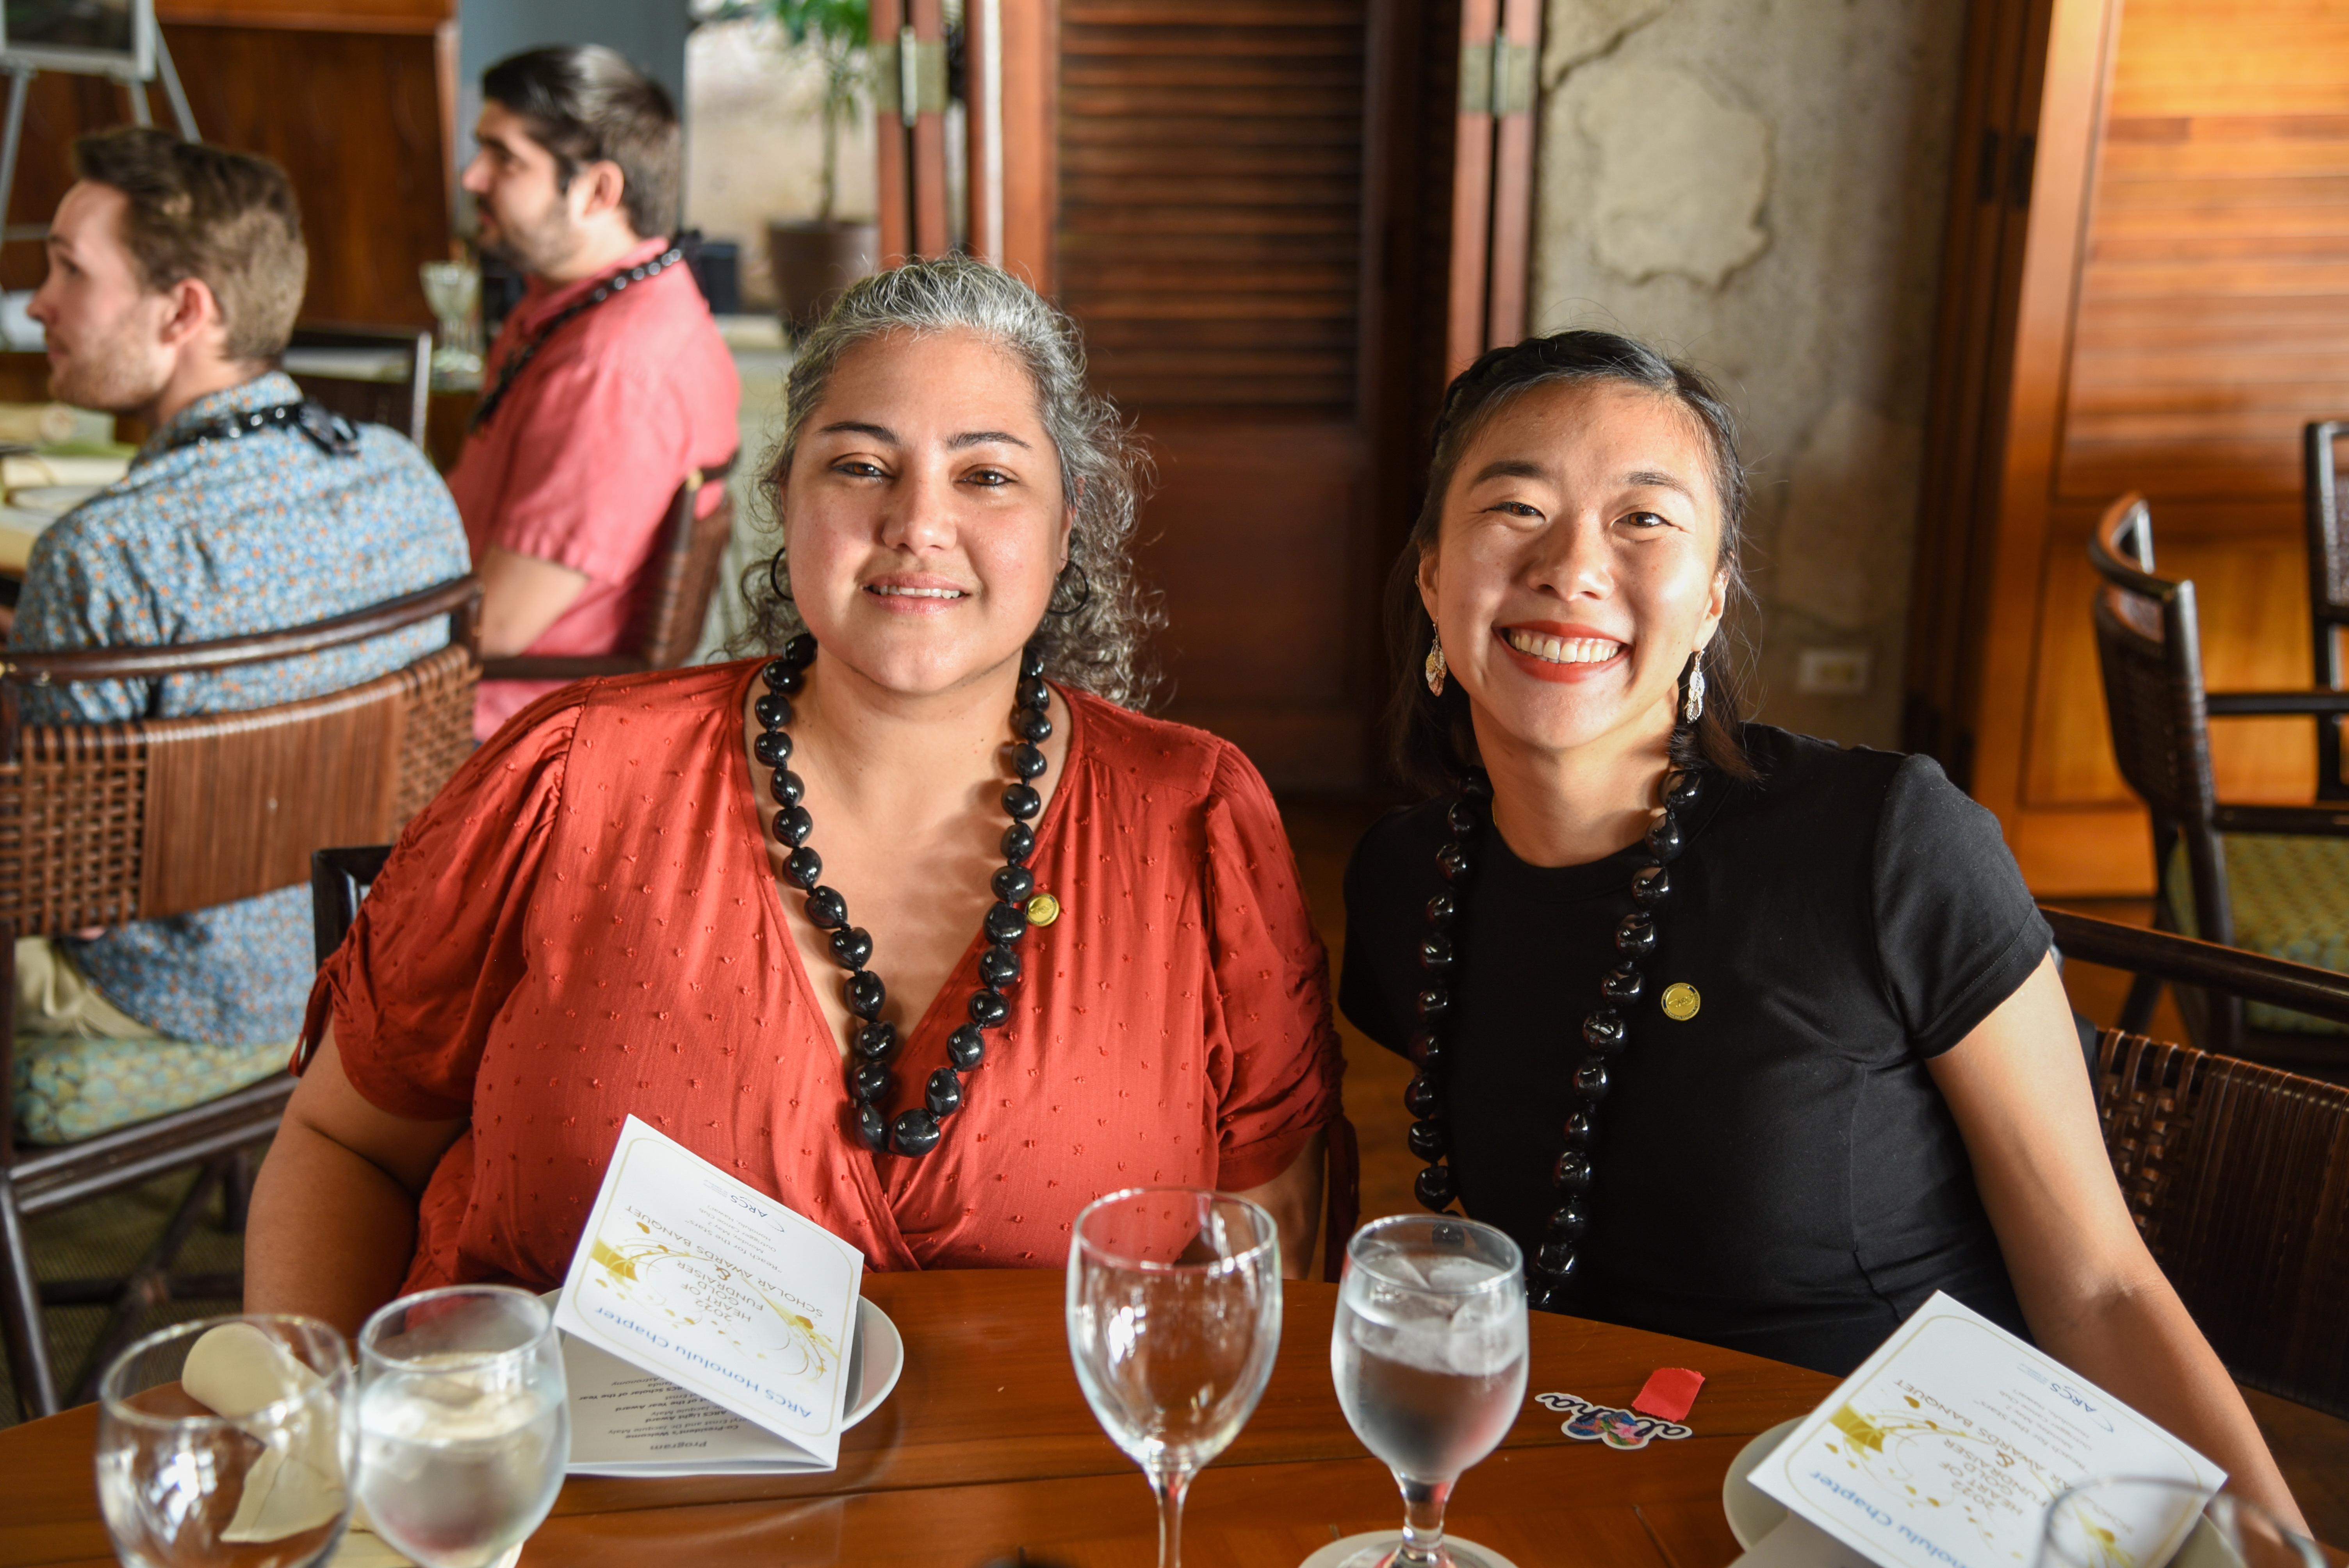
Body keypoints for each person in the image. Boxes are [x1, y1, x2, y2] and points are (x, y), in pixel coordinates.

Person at [244, 257, 1343, 1331]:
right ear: (785, 497)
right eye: (860, 465)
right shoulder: (570, 775)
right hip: (565, 1453)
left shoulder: (1195, 820)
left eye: (986, 475)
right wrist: (318, 1418)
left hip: (1054, 1461)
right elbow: (346, 1143)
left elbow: (1268, 1245)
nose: (917, 522)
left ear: (1067, 522)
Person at [1339, 330, 2306, 1526]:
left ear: (1713, 597)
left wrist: (2282, 1553)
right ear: (1434, 574)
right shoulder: (1407, 888)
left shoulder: (1888, 843)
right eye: (1518, 508)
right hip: (1596, 1490)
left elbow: (2102, 1288)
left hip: (1927, 1509)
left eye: (1644, 520)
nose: (1573, 566)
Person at [6, 128, 467, 1143]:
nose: (38, 303)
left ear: (185, 311)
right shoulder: (406, 477)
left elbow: (71, 899)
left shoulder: (102, 553)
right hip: (358, 955)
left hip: (167, 997)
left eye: (69, 270)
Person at [447, 44, 740, 739]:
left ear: (599, 191)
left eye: (504, 158)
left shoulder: (611, 373)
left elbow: (498, 626)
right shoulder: (604, 307)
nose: (472, 176)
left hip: (496, 730)